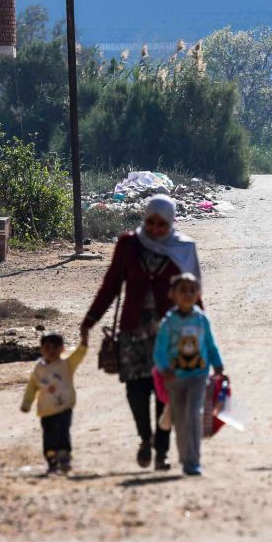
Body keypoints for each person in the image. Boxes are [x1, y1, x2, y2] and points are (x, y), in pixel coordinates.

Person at [81, 195, 202, 471]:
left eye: (162, 224)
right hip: (133, 331)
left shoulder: (183, 248)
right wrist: (90, 320)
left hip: (170, 334)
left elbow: (193, 292)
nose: (156, 229)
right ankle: (144, 438)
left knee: (166, 394)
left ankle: (161, 451)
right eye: (151, 222)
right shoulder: (128, 245)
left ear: (171, 223)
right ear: (144, 219)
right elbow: (111, 285)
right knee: (136, 391)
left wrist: (202, 330)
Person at [153, 272, 224, 476]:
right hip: (174, 378)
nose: (188, 294)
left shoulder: (202, 319)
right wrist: (164, 368)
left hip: (198, 376)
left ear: (198, 293)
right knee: (180, 419)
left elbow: (210, 345)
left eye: (192, 290)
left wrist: (218, 364)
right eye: (182, 290)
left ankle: (193, 461)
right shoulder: (168, 323)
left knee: (194, 415)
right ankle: (185, 456)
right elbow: (159, 350)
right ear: (172, 294)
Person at [20, 331, 87, 474]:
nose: (51, 351)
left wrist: (84, 341)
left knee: (63, 432)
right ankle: (51, 460)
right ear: (41, 350)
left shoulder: (67, 365)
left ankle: (64, 457)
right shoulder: (39, 368)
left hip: (64, 408)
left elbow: (79, 355)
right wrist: (27, 402)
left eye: (55, 347)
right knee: (48, 436)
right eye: (47, 348)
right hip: (45, 410)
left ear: (62, 349)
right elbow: (33, 385)